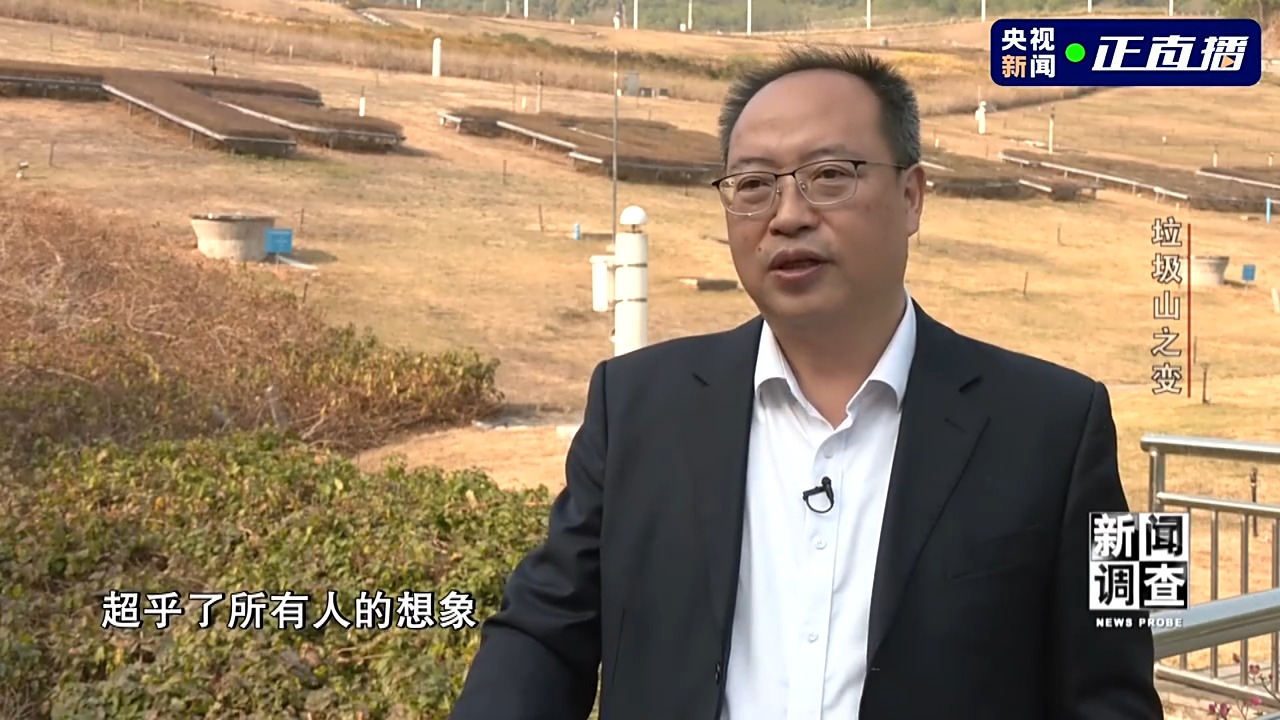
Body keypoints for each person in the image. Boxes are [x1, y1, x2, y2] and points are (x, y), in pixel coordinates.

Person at [448, 46, 1162, 720]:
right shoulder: (631, 403)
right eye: (754, 186)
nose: (787, 216)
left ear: (912, 195)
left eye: (829, 175)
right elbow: (542, 632)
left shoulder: (1068, 420)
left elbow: (1117, 695)